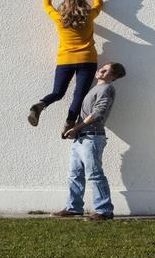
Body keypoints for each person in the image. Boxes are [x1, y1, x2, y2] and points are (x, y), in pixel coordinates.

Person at [28, 0, 104, 138]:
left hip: (65, 60)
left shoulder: (59, 18)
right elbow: (99, 5)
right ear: (83, 6)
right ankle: (69, 124)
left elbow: (47, 5)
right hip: (87, 59)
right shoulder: (89, 16)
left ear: (64, 6)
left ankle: (41, 104)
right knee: (79, 94)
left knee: (57, 92)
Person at [51, 62, 126, 220]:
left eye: (106, 70)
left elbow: (98, 112)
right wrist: (75, 130)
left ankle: (104, 211)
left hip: (92, 137)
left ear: (113, 76)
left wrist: (77, 128)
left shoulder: (107, 89)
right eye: (101, 68)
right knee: (74, 174)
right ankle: (74, 208)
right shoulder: (95, 88)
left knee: (94, 174)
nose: (101, 71)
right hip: (81, 137)